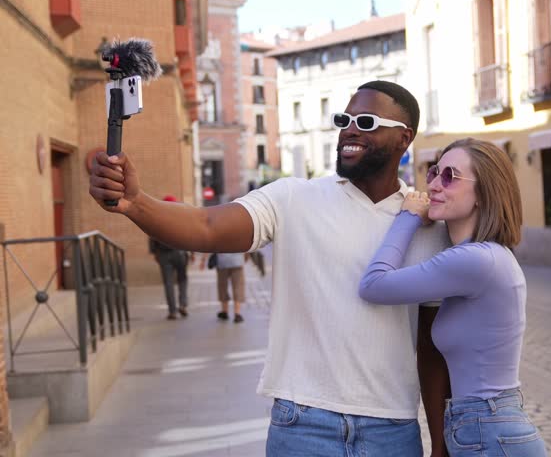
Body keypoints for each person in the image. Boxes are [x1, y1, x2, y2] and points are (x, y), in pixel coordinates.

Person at [88, 81, 452, 457]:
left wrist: (440, 443)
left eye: (366, 121)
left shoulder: (426, 225)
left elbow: (433, 348)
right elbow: (205, 227)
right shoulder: (294, 197)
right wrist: (135, 202)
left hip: (391, 431)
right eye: (344, 119)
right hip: (304, 427)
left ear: (403, 138)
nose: (349, 130)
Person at [359, 138, 548, 456]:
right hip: (484, 426)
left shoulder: (475, 261)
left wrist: (408, 217)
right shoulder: (483, 257)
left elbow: (373, 285)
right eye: (433, 172)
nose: (433, 184)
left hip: (488, 429)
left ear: (483, 193)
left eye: (450, 176)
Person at [149, 195, 189, 320]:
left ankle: (172, 312)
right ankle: (183, 305)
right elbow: (188, 236)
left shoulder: (156, 219)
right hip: (179, 253)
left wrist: (155, 253)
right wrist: (190, 252)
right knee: (182, 280)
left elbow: (151, 236)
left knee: (168, 283)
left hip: (163, 255)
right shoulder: (180, 219)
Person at [215, 252, 247, 323]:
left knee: (222, 286)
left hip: (222, 261)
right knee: (238, 286)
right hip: (237, 261)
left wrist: (203, 259)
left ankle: (224, 311)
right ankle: (237, 313)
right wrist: (246, 257)